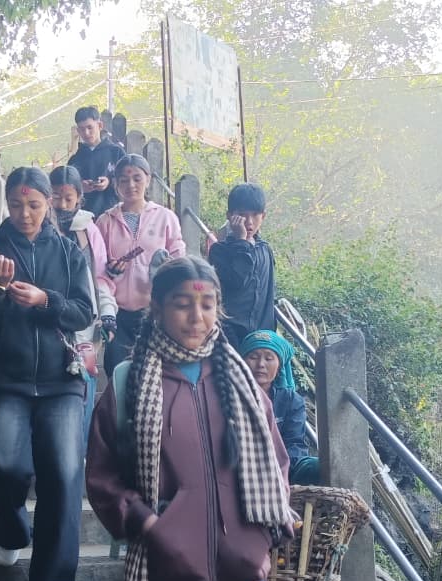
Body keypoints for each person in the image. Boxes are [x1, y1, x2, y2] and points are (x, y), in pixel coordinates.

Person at [85, 256, 295, 581]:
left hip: (242, 571)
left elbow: (276, 463)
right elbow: (102, 476)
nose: (196, 317)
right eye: (183, 304)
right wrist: (149, 523)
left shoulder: (243, 383)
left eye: (207, 304)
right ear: (157, 308)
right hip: (165, 571)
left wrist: (264, 537)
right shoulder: (129, 383)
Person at [0, 167, 95, 581]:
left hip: (62, 381)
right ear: (7, 204)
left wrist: (46, 301)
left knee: (63, 473)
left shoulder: (69, 251)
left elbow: (83, 312)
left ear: (50, 204)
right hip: (7, 379)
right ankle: (12, 523)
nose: (25, 213)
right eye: (17, 205)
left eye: (35, 205)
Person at [96, 154, 186, 375]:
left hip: (155, 311)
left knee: (155, 372)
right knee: (117, 370)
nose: (131, 185)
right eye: (124, 180)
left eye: (137, 178)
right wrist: (110, 273)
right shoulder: (105, 221)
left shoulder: (166, 218)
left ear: (148, 180)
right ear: (115, 183)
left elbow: (180, 263)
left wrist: (165, 270)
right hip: (117, 312)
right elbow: (98, 270)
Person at [49, 164, 117, 447]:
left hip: (84, 323)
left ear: (80, 197)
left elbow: (99, 277)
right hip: (48, 319)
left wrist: (108, 313)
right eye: (56, 196)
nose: (63, 204)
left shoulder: (89, 229)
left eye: (69, 198)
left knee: (84, 388)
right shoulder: (40, 226)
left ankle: (80, 454)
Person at [240, 330, 320, 485]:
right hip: (239, 467)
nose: (261, 364)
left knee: (318, 467)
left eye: (269, 358)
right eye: (253, 357)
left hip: (280, 468)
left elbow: (294, 442)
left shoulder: (291, 400)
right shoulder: (228, 394)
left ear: (279, 366)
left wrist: (280, 469)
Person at [208, 183, 276, 343]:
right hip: (229, 334)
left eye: (255, 215)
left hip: (261, 337)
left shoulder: (265, 249)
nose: (249, 222)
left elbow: (269, 294)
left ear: (263, 216)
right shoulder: (219, 251)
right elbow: (238, 281)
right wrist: (242, 242)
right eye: (242, 215)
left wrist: (270, 334)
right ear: (230, 216)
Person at [68, 106, 126, 217]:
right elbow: (67, 188)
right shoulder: (75, 160)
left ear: (100, 125)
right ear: (78, 131)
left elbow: (126, 181)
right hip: (82, 216)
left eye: (90, 127)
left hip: (112, 214)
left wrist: (109, 182)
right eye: (82, 129)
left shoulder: (116, 152)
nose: (86, 133)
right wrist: (80, 187)